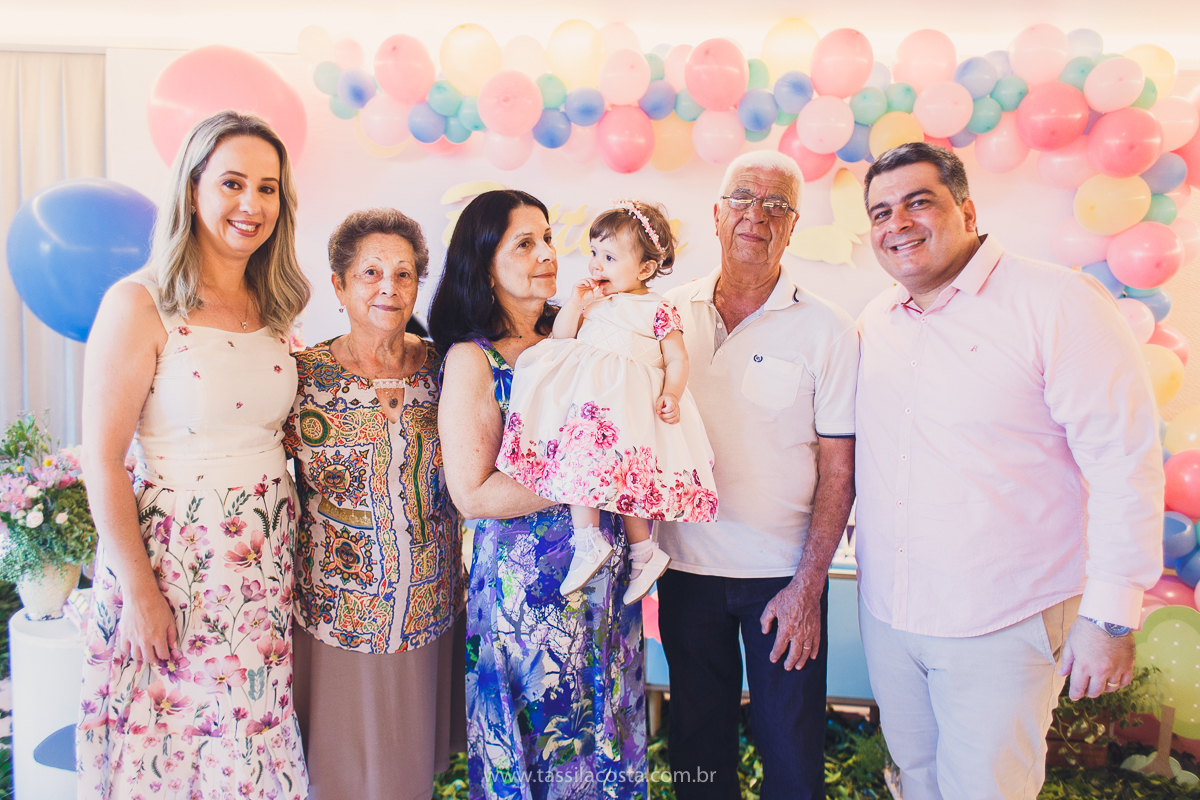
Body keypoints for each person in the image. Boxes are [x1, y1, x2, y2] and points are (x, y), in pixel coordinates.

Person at [855, 142, 1164, 800]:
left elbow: (1123, 460)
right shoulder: (876, 322)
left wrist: (1110, 617)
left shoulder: (1057, 302)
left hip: (1004, 617)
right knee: (917, 781)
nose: (898, 223)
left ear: (965, 209)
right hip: (890, 615)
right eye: (881, 212)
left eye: (919, 202)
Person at [77, 111, 311, 799]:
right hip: (173, 567)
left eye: (268, 188)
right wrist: (142, 595)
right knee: (170, 754)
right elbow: (102, 461)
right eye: (233, 183)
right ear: (191, 189)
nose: (252, 205)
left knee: (250, 754)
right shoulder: (138, 303)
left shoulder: (276, 308)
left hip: (263, 571)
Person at [430, 189, 647, 799]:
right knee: (544, 753)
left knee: (610, 736)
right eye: (524, 243)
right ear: (484, 262)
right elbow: (472, 493)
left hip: (607, 585)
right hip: (529, 602)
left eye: (548, 237)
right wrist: (587, 472)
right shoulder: (474, 360)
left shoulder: (579, 330)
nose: (547, 253)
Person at [655, 150, 858, 799]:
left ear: (793, 227)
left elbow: (839, 470)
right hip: (684, 572)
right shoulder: (663, 315)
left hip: (782, 580)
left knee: (792, 757)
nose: (757, 215)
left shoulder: (827, 329)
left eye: (777, 205)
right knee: (697, 752)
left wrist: (808, 586)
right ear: (716, 214)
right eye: (744, 198)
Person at [283, 209, 466, 800]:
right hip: (334, 612)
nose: (389, 287)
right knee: (338, 773)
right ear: (338, 285)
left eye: (404, 273)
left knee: (407, 773)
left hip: (426, 609)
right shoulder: (301, 377)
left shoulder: (448, 369)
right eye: (370, 272)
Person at [495, 200, 717, 604]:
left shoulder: (658, 308)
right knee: (587, 464)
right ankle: (602, 545)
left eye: (610, 257)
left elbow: (677, 357)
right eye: (594, 253)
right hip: (591, 406)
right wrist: (577, 303)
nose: (597, 265)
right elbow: (562, 339)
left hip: (627, 408)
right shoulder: (594, 301)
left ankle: (637, 550)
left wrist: (672, 393)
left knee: (629, 479)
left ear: (645, 269)